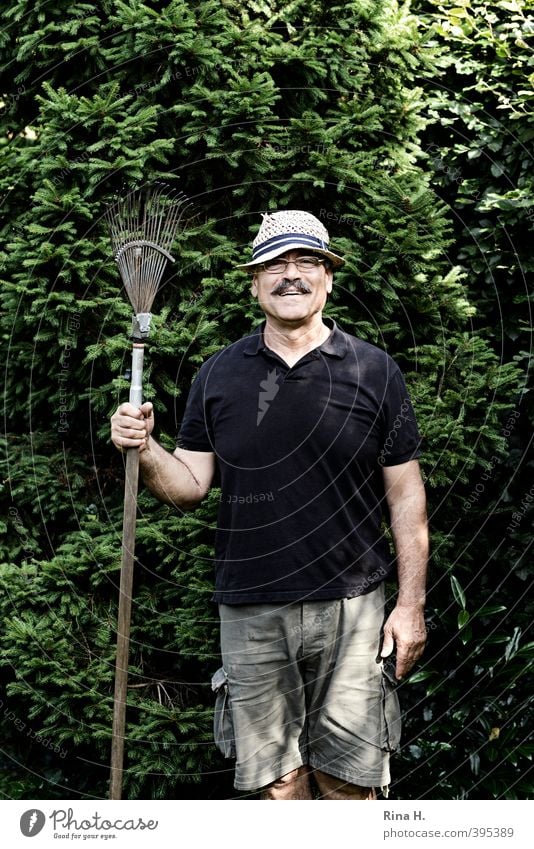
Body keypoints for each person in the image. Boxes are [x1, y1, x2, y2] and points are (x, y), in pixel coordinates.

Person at [110, 210, 428, 800]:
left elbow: (406, 497)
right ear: (254, 282)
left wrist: (410, 606)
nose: (290, 275)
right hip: (252, 607)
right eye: (274, 265)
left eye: (306, 262)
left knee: (349, 783)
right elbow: (188, 487)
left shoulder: (375, 370)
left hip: (353, 607)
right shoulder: (218, 375)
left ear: (328, 277)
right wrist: (145, 446)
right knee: (276, 787)